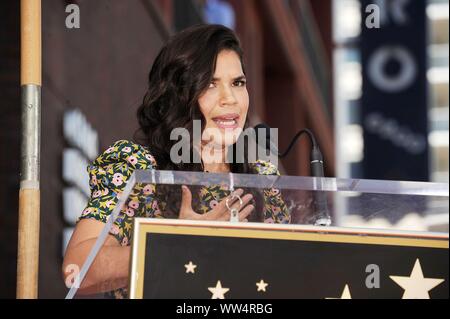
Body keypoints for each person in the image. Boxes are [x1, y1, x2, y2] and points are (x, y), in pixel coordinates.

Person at [62, 24, 289, 299]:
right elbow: (77, 270)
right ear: (178, 95)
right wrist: (172, 241)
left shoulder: (263, 180)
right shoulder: (139, 168)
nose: (231, 99)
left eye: (238, 83)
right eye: (210, 84)